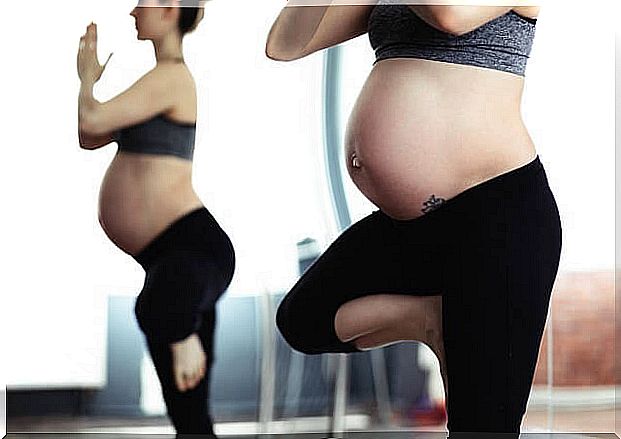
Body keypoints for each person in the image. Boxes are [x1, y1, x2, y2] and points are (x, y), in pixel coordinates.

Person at [266, 1, 561, 436]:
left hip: (496, 217)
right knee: (304, 318)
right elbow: (285, 44)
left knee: (481, 428)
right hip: (409, 227)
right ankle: (430, 320)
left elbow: (451, 16)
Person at [77, 1, 234, 436]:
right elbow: (89, 135)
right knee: (188, 414)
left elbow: (91, 115)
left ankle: (181, 333)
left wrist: (88, 78)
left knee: (156, 310)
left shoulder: (172, 78)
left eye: (142, 3)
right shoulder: (156, 82)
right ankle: (180, 333)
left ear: (168, 10)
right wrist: (87, 82)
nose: (132, 11)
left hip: (193, 251)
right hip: (171, 259)